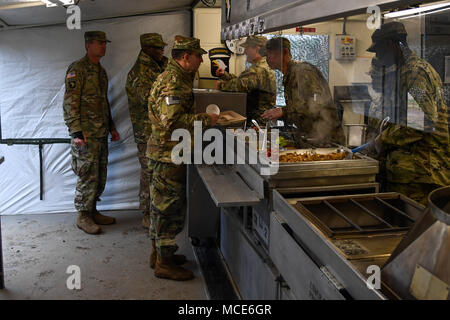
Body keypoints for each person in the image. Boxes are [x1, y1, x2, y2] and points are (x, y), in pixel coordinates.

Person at [146, 35, 219, 280]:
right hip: (168, 156)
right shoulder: (173, 82)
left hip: (169, 153)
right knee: (168, 209)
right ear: (186, 57)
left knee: (161, 207)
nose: (201, 61)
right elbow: (173, 122)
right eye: (198, 56)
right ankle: (164, 263)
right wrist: (207, 120)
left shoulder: (177, 77)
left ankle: (159, 254)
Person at [366, 21, 449, 205]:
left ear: (390, 45)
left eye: (379, 52)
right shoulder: (404, 72)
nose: (379, 58)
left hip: (424, 174)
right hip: (412, 172)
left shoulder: (416, 74)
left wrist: (383, 139)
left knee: (416, 229)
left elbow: (421, 123)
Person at [63, 31, 120, 234]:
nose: (104, 46)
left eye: (105, 43)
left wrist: (111, 126)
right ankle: (83, 216)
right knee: (87, 175)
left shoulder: (101, 71)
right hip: (85, 134)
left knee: (99, 175)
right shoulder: (77, 69)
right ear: (88, 45)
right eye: (100, 43)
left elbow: (103, 102)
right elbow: (70, 103)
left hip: (100, 132)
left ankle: (93, 210)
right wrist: (76, 132)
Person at [262, 37, 344, 147]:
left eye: (269, 54)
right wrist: (283, 115)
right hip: (312, 137)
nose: (266, 58)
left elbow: (315, 105)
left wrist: (283, 111)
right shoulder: (289, 75)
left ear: (284, 52)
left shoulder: (303, 71)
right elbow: (299, 108)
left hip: (327, 139)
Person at [126, 33, 168, 229]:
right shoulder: (140, 73)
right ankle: (146, 213)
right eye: (158, 48)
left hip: (156, 131)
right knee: (148, 173)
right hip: (146, 132)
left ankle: (156, 211)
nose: (162, 51)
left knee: (157, 172)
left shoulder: (157, 67)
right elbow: (150, 100)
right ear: (147, 49)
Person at [216, 35, 276, 124]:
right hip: (263, 119)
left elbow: (239, 86)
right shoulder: (264, 65)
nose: (245, 51)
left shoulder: (258, 69)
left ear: (256, 48)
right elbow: (245, 81)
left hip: (258, 121)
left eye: (247, 48)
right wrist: (225, 75)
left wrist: (220, 85)